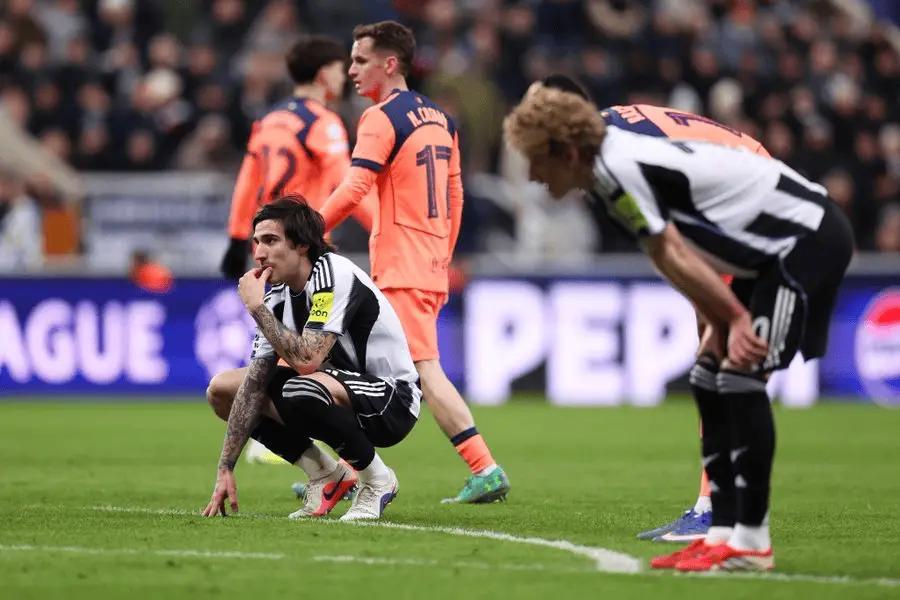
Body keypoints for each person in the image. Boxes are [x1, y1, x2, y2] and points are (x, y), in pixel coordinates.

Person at [504, 84, 853, 571]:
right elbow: (669, 256)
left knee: (740, 376)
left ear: (567, 152)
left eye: (537, 161)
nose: (533, 176)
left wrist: (733, 319)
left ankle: (752, 542)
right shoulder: (608, 168)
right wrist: (721, 319)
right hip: (761, 250)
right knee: (707, 374)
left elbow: (673, 251)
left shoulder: (617, 166)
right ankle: (721, 531)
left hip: (802, 241)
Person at [540, 74, 770, 543]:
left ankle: (717, 510)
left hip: (744, 198)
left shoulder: (610, 152)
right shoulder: (614, 130)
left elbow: (667, 230)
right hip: (743, 188)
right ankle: (719, 506)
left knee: (720, 358)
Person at [316, 20, 510, 504]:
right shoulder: (442, 119)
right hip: (428, 259)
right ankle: (351, 471)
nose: (351, 69)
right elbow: (456, 194)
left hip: (402, 263)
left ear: (390, 64)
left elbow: (355, 187)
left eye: (361, 60)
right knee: (374, 366)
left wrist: (308, 228)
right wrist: (443, 252)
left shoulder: (381, 118)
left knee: (416, 369)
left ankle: (482, 467)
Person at [202, 196, 421, 521]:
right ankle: (326, 474)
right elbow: (254, 386)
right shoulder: (276, 297)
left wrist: (256, 308)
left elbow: (308, 359)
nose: (259, 253)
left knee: (301, 388)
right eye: (257, 242)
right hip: (330, 390)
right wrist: (225, 467)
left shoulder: (333, 274)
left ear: (302, 244)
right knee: (223, 391)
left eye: (271, 240)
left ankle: (377, 480)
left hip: (391, 400)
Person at [220, 35, 374, 281]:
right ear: (323, 74)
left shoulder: (268, 120)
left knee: (277, 306)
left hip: (267, 245)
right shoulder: (322, 123)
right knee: (320, 306)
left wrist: (237, 237)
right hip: (304, 247)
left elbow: (248, 183)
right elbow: (349, 185)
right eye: (338, 70)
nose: (343, 78)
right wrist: (381, 228)